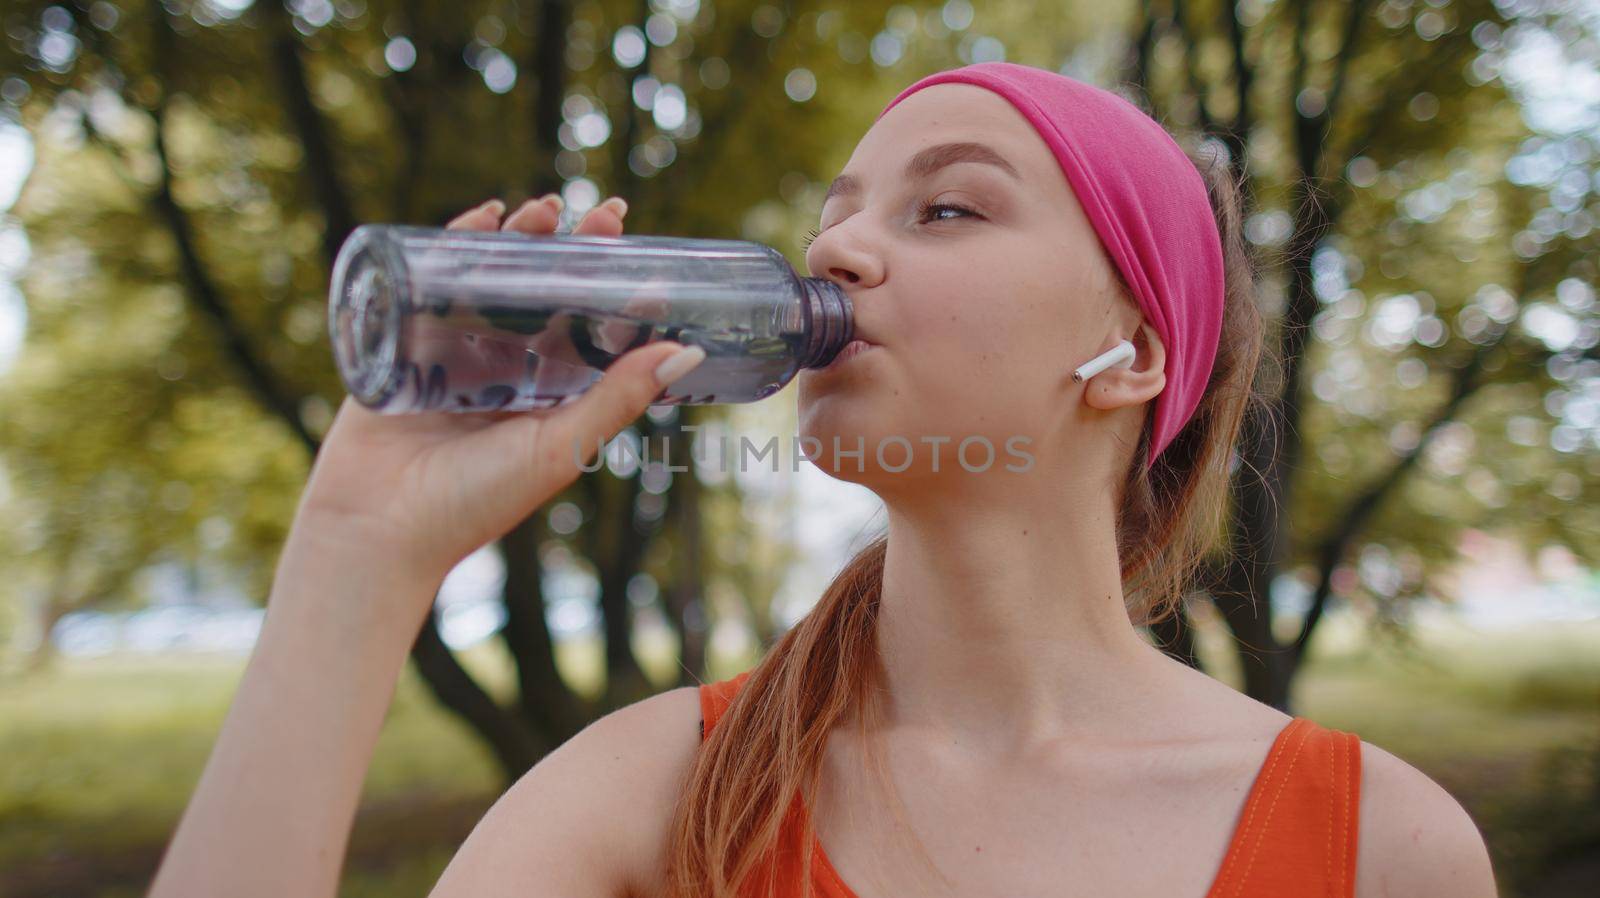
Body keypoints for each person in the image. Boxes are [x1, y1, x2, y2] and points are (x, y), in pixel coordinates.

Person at [148, 63, 1498, 898]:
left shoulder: (1381, 842)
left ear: (1131, 352)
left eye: (946, 207)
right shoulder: (658, 793)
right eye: (841, 208)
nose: (841, 246)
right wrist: (354, 559)